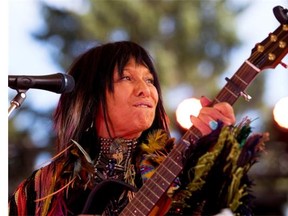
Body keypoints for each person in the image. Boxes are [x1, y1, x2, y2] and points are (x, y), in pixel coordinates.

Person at [9, 41, 258, 216]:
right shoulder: (45, 187)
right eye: (127, 78)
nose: (145, 90)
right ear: (91, 96)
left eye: (149, 80)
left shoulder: (182, 166)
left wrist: (222, 154)